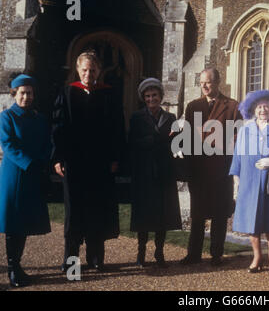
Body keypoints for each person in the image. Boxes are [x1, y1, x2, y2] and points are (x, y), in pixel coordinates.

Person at [52, 51, 126, 272]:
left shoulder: (109, 94)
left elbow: (117, 129)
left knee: (97, 208)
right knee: (73, 211)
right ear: (78, 70)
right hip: (73, 162)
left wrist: (115, 157)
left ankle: (95, 257)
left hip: (100, 162)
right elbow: (57, 128)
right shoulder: (66, 93)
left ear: (99, 71)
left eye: (92, 70)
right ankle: (71, 259)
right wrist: (57, 157)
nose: (88, 73)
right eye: (84, 69)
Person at [180, 67, 241, 266]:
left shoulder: (232, 106)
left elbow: (237, 136)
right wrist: (187, 167)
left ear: (217, 82)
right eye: (201, 83)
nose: (204, 86)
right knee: (197, 214)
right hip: (198, 169)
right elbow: (187, 137)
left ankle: (216, 254)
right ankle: (193, 254)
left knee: (219, 214)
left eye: (208, 82)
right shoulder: (193, 106)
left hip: (221, 169)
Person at [230, 90, 269, 273]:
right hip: (249, 180)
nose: (263, 110)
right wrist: (237, 180)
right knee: (252, 219)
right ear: (253, 109)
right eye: (259, 106)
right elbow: (238, 156)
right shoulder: (245, 130)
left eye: (266, 106)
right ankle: (257, 256)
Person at [0, 74, 51, 287]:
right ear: (14, 94)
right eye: (22, 93)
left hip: (34, 174)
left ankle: (18, 265)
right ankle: (12, 269)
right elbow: (7, 145)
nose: (26, 97)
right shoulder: (6, 117)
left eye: (29, 93)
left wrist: (43, 161)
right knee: (13, 222)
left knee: (25, 222)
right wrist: (30, 162)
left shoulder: (39, 118)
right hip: (15, 174)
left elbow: (47, 142)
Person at [129, 78, 182, 268]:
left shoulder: (171, 118)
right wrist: (153, 139)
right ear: (144, 98)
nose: (151, 99)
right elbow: (132, 143)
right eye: (148, 96)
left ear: (160, 97)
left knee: (162, 215)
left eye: (155, 95)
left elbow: (178, 143)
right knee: (144, 215)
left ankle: (159, 252)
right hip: (144, 172)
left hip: (164, 170)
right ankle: (141, 252)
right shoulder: (136, 117)